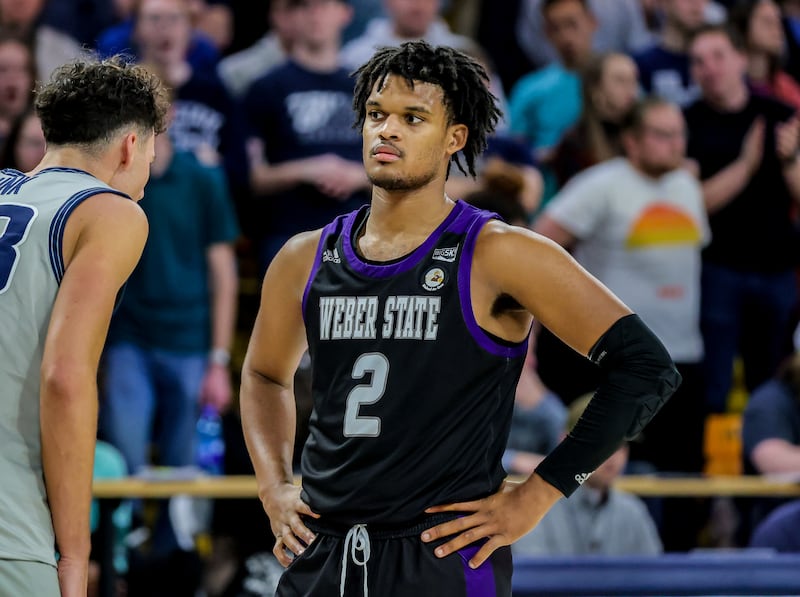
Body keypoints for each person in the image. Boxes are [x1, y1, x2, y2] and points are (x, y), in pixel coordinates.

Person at [240, 40, 680, 596]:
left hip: (441, 554)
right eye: (376, 115)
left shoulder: (500, 253)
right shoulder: (304, 256)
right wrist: (274, 486)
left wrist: (539, 493)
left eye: (412, 118)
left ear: (455, 138)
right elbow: (263, 375)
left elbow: (646, 368)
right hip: (322, 553)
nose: (387, 131)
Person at [0, 56, 168, 597]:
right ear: (130, 147)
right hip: (10, 518)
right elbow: (65, 379)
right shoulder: (110, 211)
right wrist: (75, 554)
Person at [684, 24, 800, 414]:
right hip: (718, 269)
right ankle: (711, 470)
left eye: (718, 56)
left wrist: (791, 161)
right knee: (714, 381)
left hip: (777, 268)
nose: (709, 68)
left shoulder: (781, 116)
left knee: (771, 381)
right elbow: (691, 207)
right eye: (699, 61)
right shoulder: (686, 123)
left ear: (741, 59)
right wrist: (746, 167)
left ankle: (764, 463)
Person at [513, 394, 663, 556]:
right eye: (602, 441)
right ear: (565, 441)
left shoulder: (633, 511)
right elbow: (530, 576)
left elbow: (654, 577)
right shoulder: (534, 507)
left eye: (621, 443)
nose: (613, 455)